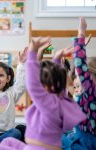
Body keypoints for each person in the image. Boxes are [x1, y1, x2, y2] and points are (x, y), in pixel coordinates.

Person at [0, 37, 86, 150]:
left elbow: (32, 81)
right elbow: (56, 77)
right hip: (35, 146)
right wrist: (57, 58)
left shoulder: (47, 102)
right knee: (8, 141)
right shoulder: (58, 97)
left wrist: (32, 52)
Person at [62, 17, 96, 150]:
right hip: (81, 136)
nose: (81, 78)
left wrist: (81, 33)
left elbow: (80, 67)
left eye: (83, 76)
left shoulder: (90, 92)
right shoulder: (83, 93)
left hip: (85, 142)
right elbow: (71, 83)